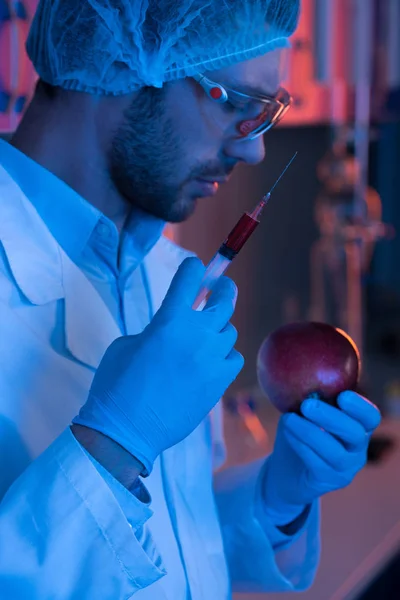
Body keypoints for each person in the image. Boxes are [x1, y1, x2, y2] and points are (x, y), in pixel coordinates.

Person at [0, 0, 381, 597]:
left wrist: (276, 498)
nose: (254, 149)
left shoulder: (167, 272)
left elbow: (165, 553)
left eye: (268, 112)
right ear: (123, 63)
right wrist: (112, 446)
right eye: (236, 103)